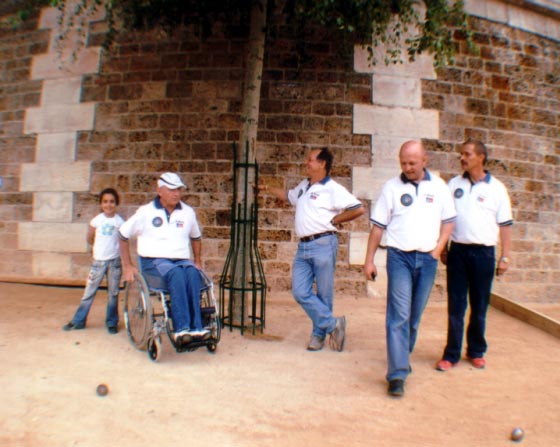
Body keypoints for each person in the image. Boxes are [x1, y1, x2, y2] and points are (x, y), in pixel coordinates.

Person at [363, 140, 456, 397]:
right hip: (399, 258)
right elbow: (378, 227)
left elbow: (449, 222)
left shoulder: (439, 187)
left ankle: (402, 353)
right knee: (399, 315)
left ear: (425, 160)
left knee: (414, 317)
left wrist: (437, 250)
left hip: (427, 260)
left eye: (412, 163)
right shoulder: (391, 188)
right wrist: (369, 260)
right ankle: (397, 374)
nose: (407, 167)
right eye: (403, 163)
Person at [258, 147, 365, 352]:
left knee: (324, 295)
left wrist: (336, 219)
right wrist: (265, 188)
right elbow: (288, 196)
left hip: (324, 244)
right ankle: (334, 325)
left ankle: (318, 336)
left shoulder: (332, 188)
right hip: (303, 247)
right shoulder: (304, 186)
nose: (306, 163)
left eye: (310, 160)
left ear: (322, 164)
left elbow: (358, 208)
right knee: (300, 292)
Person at [436, 140, 513, 372]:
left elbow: (506, 225)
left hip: (484, 254)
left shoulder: (497, 188)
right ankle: (451, 354)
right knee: (456, 306)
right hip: (458, 252)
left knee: (479, 306)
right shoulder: (453, 185)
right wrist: (444, 247)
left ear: (481, 157)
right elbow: (445, 218)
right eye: (462, 154)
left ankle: (476, 350)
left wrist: (505, 257)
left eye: (467, 154)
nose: (462, 158)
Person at [118, 172, 209, 343]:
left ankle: (197, 327)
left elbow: (196, 237)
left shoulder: (188, 212)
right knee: (177, 274)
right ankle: (182, 328)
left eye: (179, 190)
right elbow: (123, 235)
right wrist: (127, 266)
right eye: (172, 190)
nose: (176, 194)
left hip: (181, 260)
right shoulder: (145, 212)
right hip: (153, 261)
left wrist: (196, 261)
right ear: (159, 190)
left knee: (192, 274)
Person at [63, 188, 124, 334]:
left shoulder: (119, 221)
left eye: (111, 202)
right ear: (101, 204)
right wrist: (97, 250)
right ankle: (79, 321)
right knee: (89, 292)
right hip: (99, 262)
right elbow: (90, 238)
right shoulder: (97, 220)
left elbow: (123, 240)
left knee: (113, 293)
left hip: (114, 262)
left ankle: (112, 322)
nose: (108, 205)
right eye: (105, 202)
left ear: (116, 204)